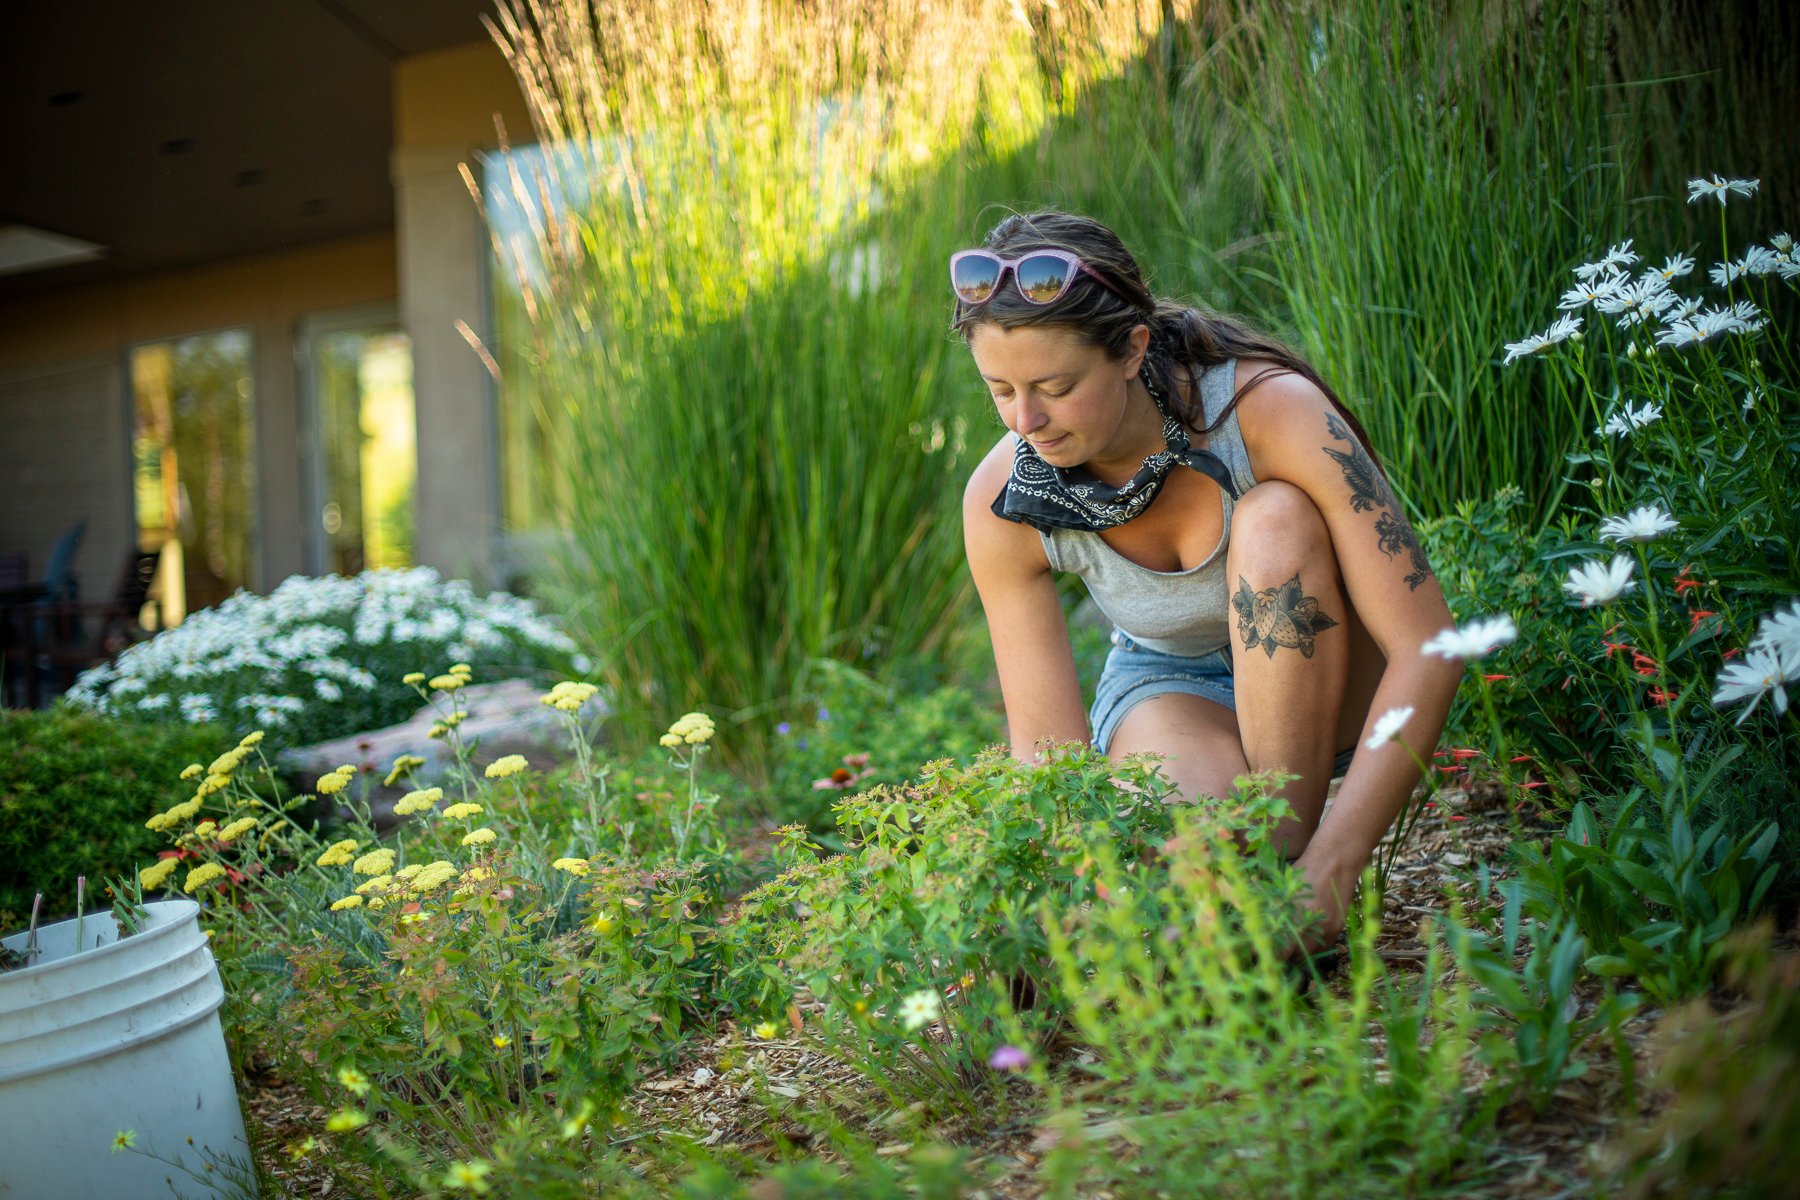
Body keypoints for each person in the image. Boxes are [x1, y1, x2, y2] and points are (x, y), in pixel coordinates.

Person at [954, 210, 1465, 952]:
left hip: (1339, 674)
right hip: (1175, 682)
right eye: (999, 390)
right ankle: (1256, 894)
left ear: (1132, 350)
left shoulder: (1267, 411)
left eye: (1055, 386)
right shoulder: (1003, 498)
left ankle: (1296, 854)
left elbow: (1428, 644)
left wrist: (1336, 869)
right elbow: (1047, 751)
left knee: (1273, 518)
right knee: (1183, 877)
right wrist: (1055, 902)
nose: (1027, 418)